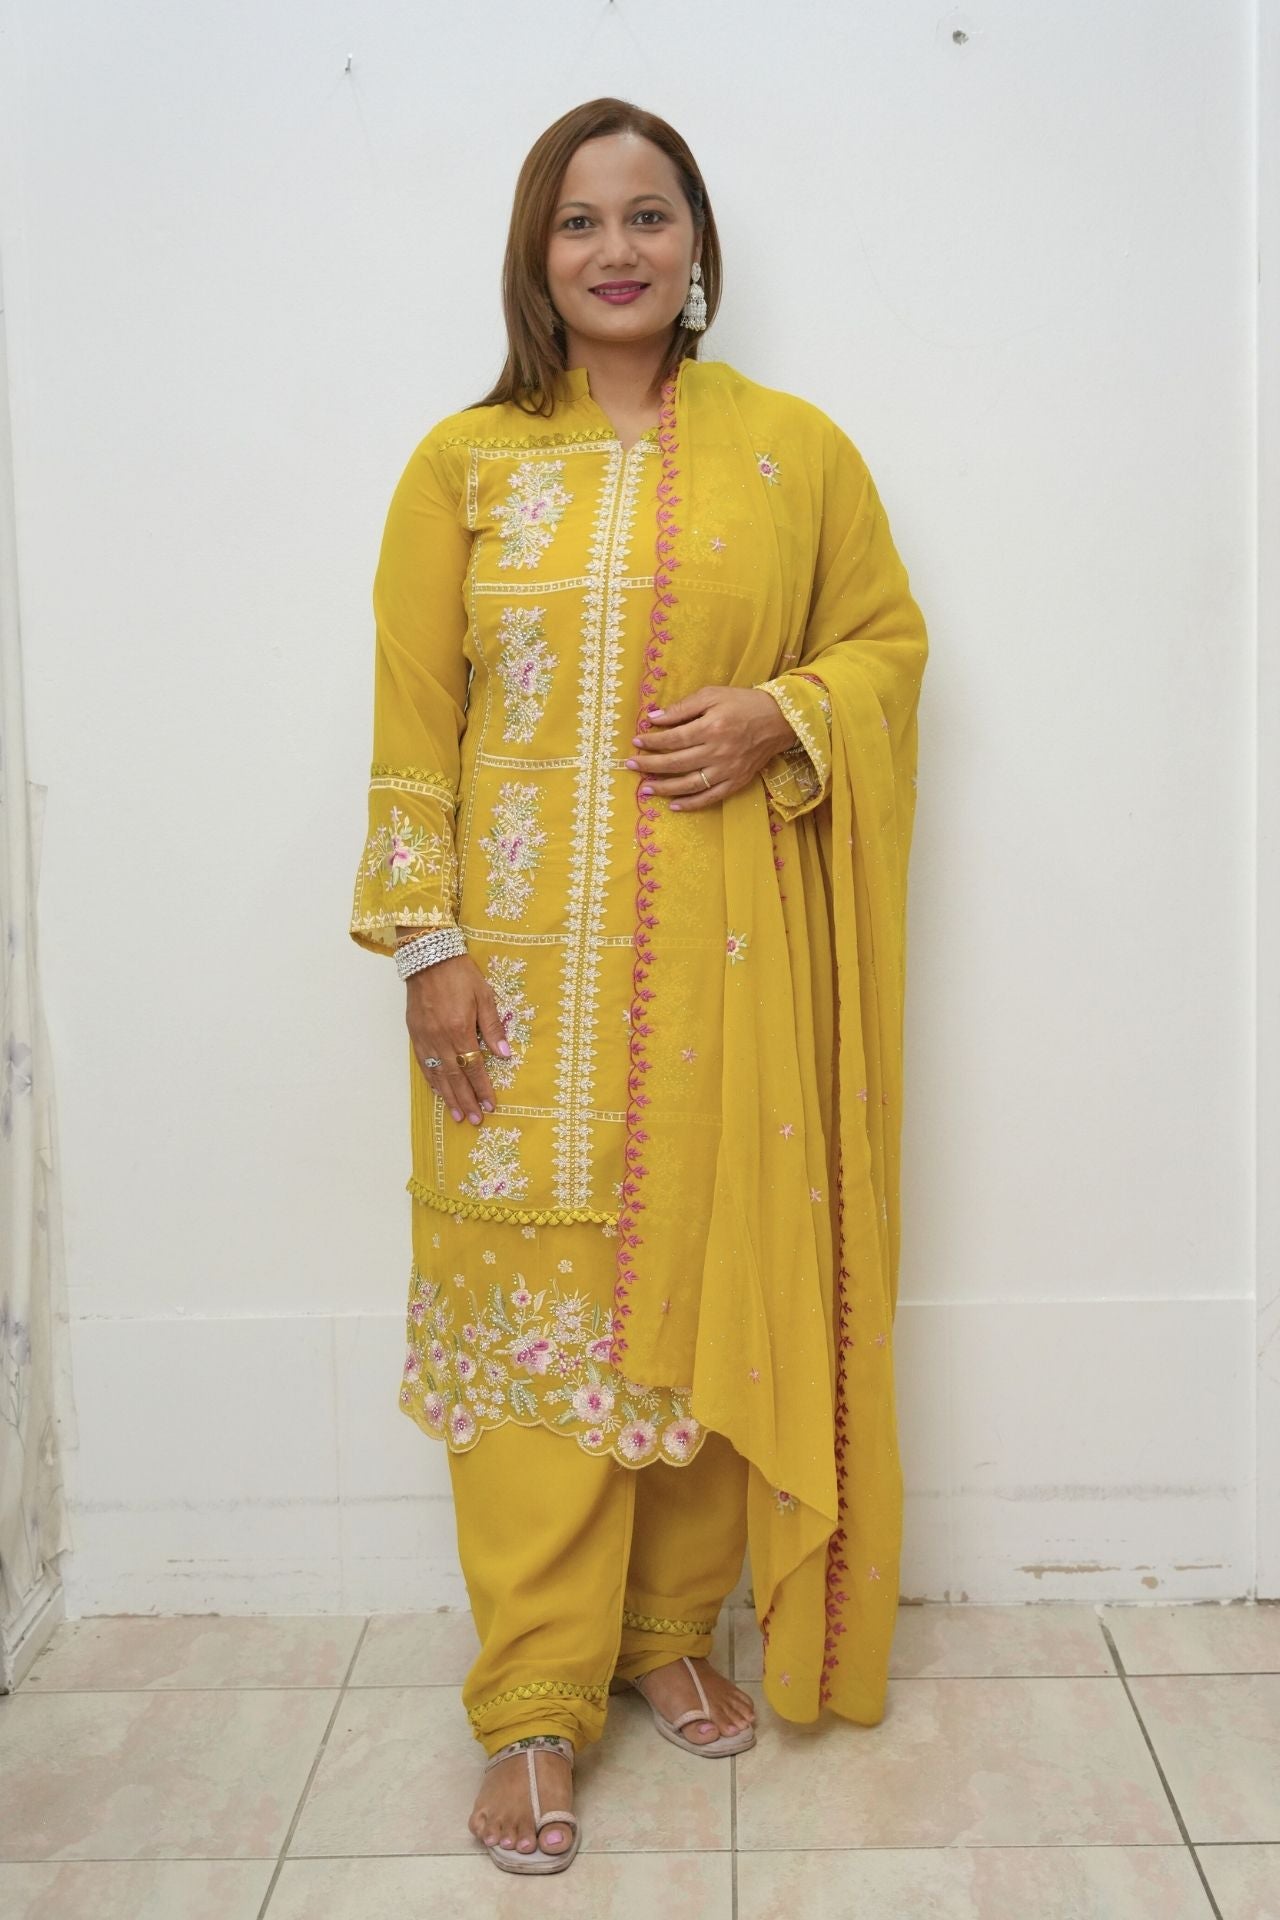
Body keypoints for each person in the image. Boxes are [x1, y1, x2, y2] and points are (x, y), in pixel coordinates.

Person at [349, 95, 928, 1876]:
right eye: (581, 221)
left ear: (697, 247)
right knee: (533, 1337)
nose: (618, 249)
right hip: (514, 992)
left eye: (650, 215)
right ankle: (534, 1704)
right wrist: (430, 951)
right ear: (536, 257)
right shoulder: (463, 465)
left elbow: (887, 644)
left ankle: (668, 1631)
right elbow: (415, 725)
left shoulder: (794, 454)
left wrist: (783, 715)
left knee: (697, 1297)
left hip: (720, 976)